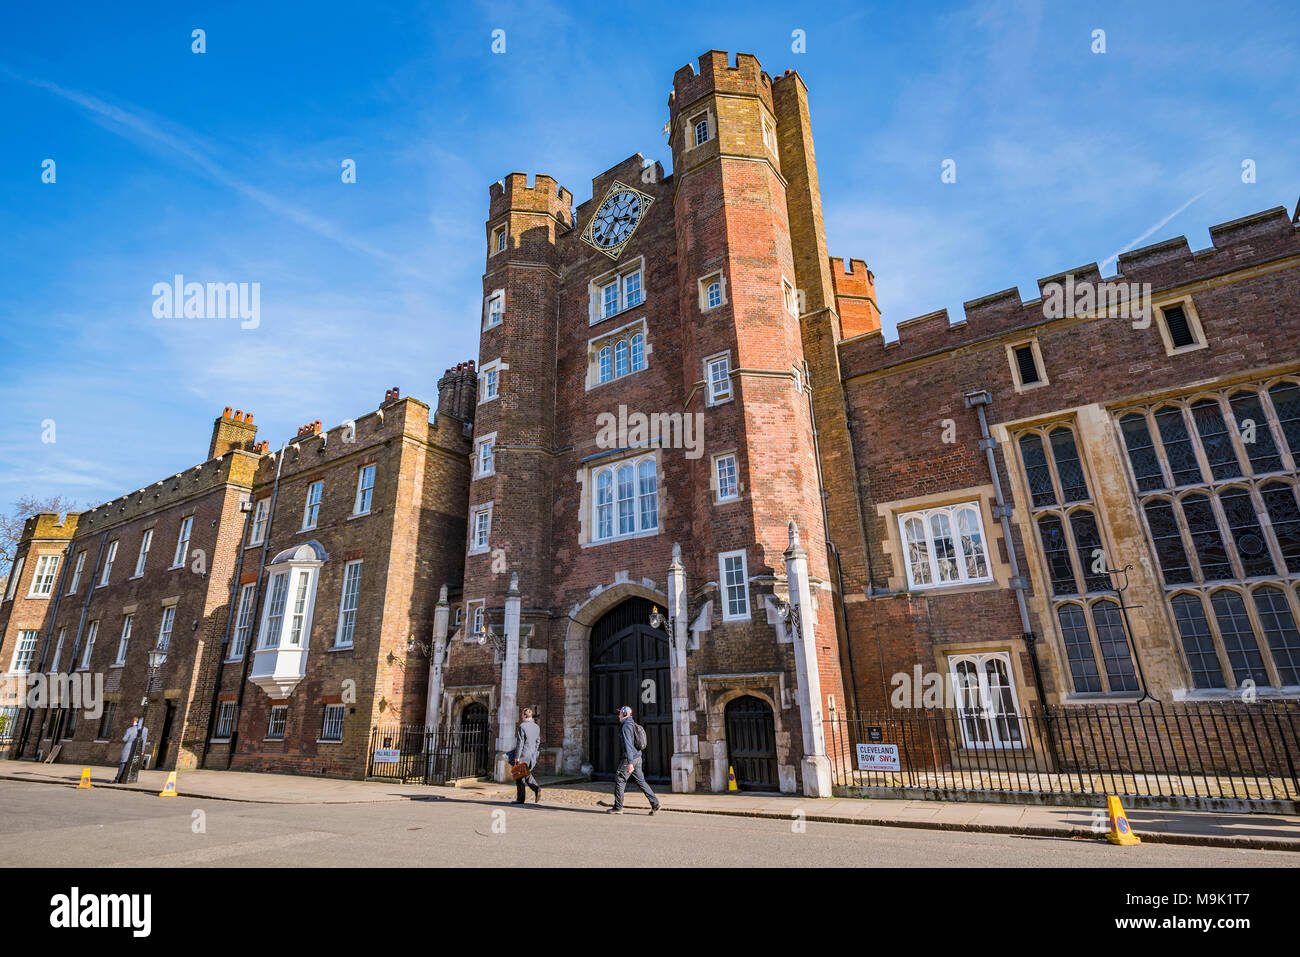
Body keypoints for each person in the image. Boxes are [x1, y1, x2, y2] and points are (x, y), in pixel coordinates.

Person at [608, 705, 659, 815]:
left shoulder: (626, 726)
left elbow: (628, 745)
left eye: (620, 713)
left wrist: (630, 762)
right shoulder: (632, 724)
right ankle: (655, 804)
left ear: (625, 714)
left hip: (630, 758)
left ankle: (618, 807)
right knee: (641, 781)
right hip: (638, 757)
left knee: (620, 779)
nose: (619, 715)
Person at [512, 707, 542, 805]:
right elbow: (538, 742)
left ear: (525, 716)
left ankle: (520, 799)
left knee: (519, 776)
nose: (521, 717)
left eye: (522, 715)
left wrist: (517, 757)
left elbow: (520, 743)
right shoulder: (536, 727)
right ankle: (536, 788)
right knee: (526, 774)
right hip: (532, 755)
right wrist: (534, 752)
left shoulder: (522, 726)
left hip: (523, 755)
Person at [114, 717, 148, 783]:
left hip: (128, 748)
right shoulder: (145, 730)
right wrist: (142, 751)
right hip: (137, 750)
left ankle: (118, 779)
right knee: (133, 764)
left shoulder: (130, 729)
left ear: (136, 722)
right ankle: (129, 779)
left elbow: (124, 739)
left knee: (123, 763)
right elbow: (144, 741)